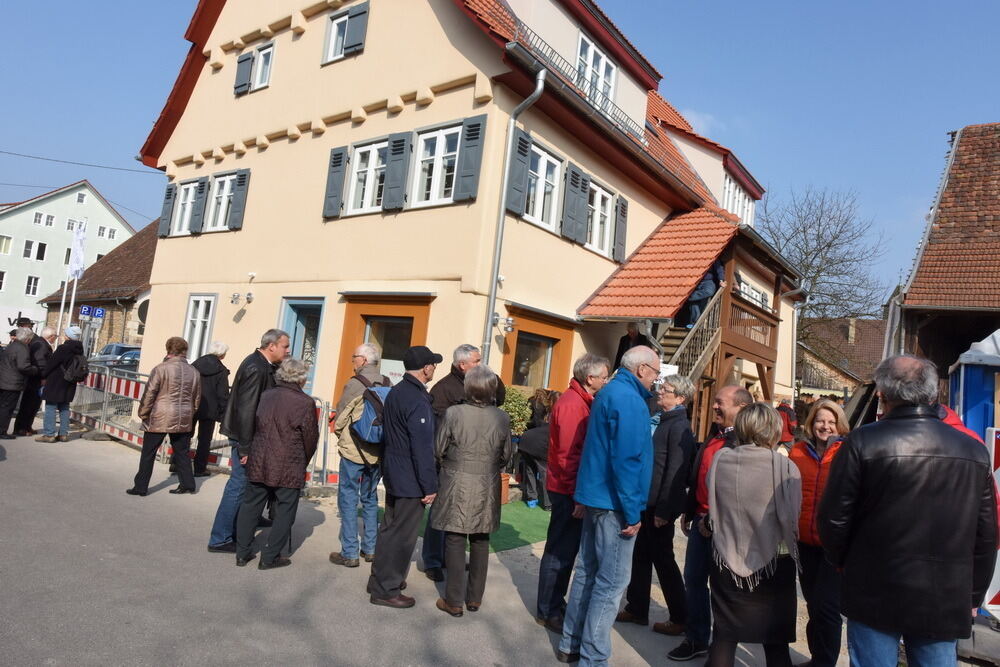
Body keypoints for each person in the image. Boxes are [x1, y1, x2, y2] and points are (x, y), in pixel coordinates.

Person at [819, 355, 998, 665]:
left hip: (872, 588)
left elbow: (833, 521)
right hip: (944, 595)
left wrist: (845, 565)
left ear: (883, 395)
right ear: (932, 395)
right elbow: (986, 536)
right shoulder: (972, 449)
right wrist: (971, 595)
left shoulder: (861, 442)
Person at [557, 346, 658, 665]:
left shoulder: (610, 392)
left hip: (598, 497)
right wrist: (632, 513)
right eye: (655, 372)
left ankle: (571, 643)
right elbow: (626, 460)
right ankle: (593, 657)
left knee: (589, 572)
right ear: (641, 369)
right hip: (614, 504)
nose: (656, 380)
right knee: (610, 582)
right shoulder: (628, 399)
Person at [705, 402, 802, 667]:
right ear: (773, 428)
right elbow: (793, 519)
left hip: (726, 556)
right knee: (776, 642)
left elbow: (713, 502)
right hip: (774, 563)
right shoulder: (785, 467)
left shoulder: (721, 459)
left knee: (724, 637)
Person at [669, 384, 753, 661]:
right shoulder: (715, 434)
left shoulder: (745, 442)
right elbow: (700, 474)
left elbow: (739, 492)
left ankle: (722, 648)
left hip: (725, 528)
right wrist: (690, 509)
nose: (715, 407)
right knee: (693, 580)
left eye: (720, 403)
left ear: (740, 408)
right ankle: (697, 638)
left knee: (723, 590)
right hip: (701, 521)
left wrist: (714, 522)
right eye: (715, 402)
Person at [431, 365, 514, 617]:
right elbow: (507, 454)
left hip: (456, 479)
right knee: (480, 538)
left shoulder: (454, 413)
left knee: (455, 538)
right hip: (486, 481)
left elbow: (438, 448)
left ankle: (454, 600)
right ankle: (474, 598)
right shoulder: (501, 417)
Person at [536, 353, 610, 634]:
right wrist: (577, 496)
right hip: (568, 490)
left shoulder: (581, 401)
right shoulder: (572, 405)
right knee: (559, 551)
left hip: (570, 488)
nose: (606, 381)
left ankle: (554, 602)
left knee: (565, 550)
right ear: (589, 378)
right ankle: (548, 609)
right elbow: (568, 456)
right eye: (603, 377)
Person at [617, 374, 695, 636]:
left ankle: (681, 616)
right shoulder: (664, 420)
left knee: (664, 562)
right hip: (646, 501)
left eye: (667, 389)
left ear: (680, 398)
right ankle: (637, 608)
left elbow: (676, 471)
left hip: (658, 506)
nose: (660, 392)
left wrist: (664, 510)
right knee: (640, 556)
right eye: (662, 387)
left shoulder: (679, 426)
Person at [367, 345, 442, 608]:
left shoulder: (398, 391)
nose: (434, 368)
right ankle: (386, 589)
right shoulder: (416, 398)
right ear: (425, 368)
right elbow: (422, 447)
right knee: (401, 535)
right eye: (433, 364)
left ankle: (381, 580)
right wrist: (430, 485)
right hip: (409, 477)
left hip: (395, 471)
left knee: (389, 529)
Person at [424, 343, 505, 582]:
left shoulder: (481, 382)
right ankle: (432, 560)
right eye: (477, 361)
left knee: (466, 520)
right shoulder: (443, 389)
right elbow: (440, 427)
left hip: (478, 461)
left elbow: (499, 398)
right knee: (440, 513)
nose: (481, 364)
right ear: (462, 365)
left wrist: (492, 377)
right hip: (451, 462)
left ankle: (452, 558)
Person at [206, 329, 290, 554]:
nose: (288, 350)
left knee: (246, 486)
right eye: (285, 346)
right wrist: (246, 447)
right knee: (238, 486)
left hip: (249, 437)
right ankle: (221, 537)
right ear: (271, 346)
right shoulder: (256, 367)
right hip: (245, 438)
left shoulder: (262, 365)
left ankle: (241, 525)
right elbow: (247, 410)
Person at [235, 358, 319, 570]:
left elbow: (254, 423)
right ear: (301, 378)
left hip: (260, 457)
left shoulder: (267, 395)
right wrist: (304, 460)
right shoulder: (305, 402)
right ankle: (270, 556)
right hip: (288, 462)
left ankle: (242, 552)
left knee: (251, 505)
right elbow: (310, 438)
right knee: (285, 510)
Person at [788, 398, 848, 667]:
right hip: (803, 540)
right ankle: (816, 658)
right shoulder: (797, 451)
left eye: (831, 422)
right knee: (813, 604)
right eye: (821, 421)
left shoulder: (847, 452)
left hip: (833, 545)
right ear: (811, 423)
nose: (825, 426)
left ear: (840, 425)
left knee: (827, 608)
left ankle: (825, 662)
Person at [330, 342, 390, 568]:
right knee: (370, 497)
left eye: (354, 357)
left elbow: (340, 417)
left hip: (353, 451)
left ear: (363, 360)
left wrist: (341, 437)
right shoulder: (387, 383)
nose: (352, 360)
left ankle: (350, 552)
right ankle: (371, 549)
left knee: (348, 497)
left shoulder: (355, 384)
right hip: (377, 452)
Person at [126, 337, 201, 496]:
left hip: (160, 416)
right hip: (184, 416)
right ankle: (188, 484)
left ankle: (141, 486)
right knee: (182, 453)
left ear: (168, 349)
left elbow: (150, 393)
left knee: (149, 453)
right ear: (184, 351)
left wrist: (143, 413)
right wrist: (190, 413)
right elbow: (197, 398)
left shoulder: (160, 369)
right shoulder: (194, 372)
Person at [35, 326, 84, 443]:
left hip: (57, 381)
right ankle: (63, 434)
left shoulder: (63, 348)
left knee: (51, 406)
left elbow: (52, 363)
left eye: (65, 334)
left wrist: (43, 376)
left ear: (68, 336)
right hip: (70, 382)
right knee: (64, 407)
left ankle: (49, 434)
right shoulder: (79, 349)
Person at [191, 341, 230, 476]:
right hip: (210, 409)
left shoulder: (195, 364)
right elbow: (223, 394)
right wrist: (223, 413)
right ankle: (199, 468)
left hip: (192, 405)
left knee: (185, 436)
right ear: (223, 354)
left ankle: (177, 464)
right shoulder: (221, 370)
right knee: (204, 440)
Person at [14, 321, 53, 436]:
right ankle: (21, 428)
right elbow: (40, 362)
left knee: (33, 405)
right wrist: (43, 376)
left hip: (36, 378)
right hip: (35, 379)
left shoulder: (40, 343)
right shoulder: (41, 344)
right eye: (55, 336)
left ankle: (27, 427)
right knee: (29, 405)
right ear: (50, 336)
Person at [0, 327, 39, 439]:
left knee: (3, 406)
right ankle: (2, 431)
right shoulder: (22, 348)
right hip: (12, 382)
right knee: (7, 408)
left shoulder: (12, 345)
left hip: (4, 380)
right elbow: (23, 366)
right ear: (28, 338)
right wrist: (35, 369)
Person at [518, 421, 551, 510]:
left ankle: (531, 498)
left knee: (530, 470)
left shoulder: (545, 426)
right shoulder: (555, 430)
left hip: (525, 442)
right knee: (544, 473)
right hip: (537, 445)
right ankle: (548, 504)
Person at [685, 259, 726, 328]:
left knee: (709, 291)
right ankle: (694, 324)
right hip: (695, 282)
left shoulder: (714, 257)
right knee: (695, 304)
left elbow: (719, 269)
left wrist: (721, 280)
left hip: (708, 281)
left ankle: (689, 297)